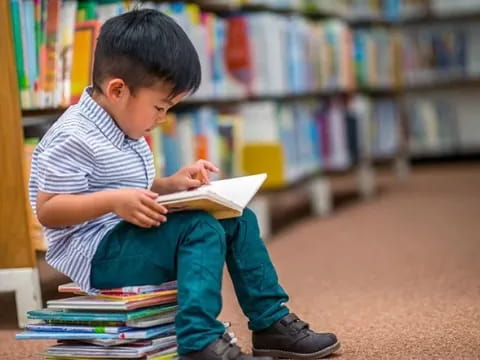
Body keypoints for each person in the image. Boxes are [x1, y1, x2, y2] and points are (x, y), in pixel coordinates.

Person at [29, 8, 340, 360]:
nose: (163, 119)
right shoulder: (73, 137)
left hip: (127, 232)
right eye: (160, 107)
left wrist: (169, 185)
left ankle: (270, 323)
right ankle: (198, 341)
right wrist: (114, 201)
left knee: (238, 218)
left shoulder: (122, 123)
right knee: (200, 229)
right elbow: (49, 209)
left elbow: (131, 188)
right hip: (96, 255)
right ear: (118, 90)